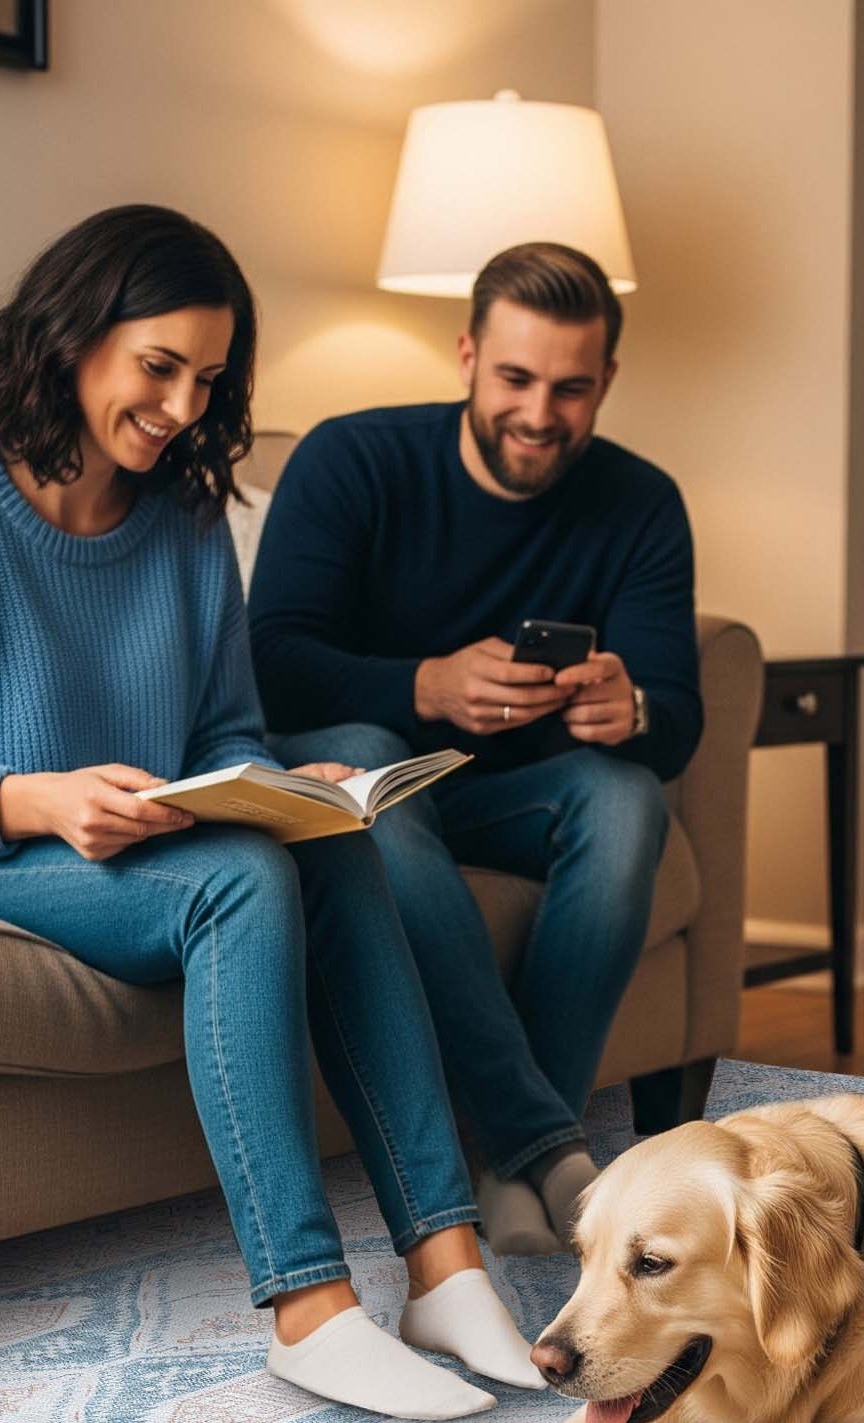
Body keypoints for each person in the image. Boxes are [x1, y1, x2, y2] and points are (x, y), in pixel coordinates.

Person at [0, 204, 545, 1418]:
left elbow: (223, 726)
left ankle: (444, 1259)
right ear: (74, 335)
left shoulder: (181, 513)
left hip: (151, 837)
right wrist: (34, 796)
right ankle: (306, 1305)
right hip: (2, 848)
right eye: (158, 366)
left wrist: (281, 786)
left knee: (324, 846)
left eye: (207, 379)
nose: (180, 408)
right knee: (243, 881)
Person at [248, 241, 701, 1256]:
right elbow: (269, 662)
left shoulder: (641, 502)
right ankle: (545, 1144)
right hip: (361, 770)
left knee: (627, 795)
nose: (540, 414)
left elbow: (677, 714)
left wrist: (632, 709)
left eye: (572, 388)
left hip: (511, 793)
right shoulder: (352, 459)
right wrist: (425, 683)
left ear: (607, 383)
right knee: (371, 756)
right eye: (516, 378)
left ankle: (507, 1160)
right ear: (465, 357)